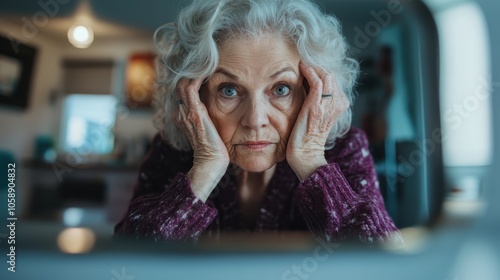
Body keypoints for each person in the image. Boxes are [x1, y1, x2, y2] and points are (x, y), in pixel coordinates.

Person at [115, 0, 401, 244]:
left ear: (312, 93)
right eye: (229, 90)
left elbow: (388, 265)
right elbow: (126, 262)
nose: (255, 120)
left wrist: (312, 161)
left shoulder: (345, 150)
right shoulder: (172, 154)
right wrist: (203, 170)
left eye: (281, 89)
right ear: (196, 97)